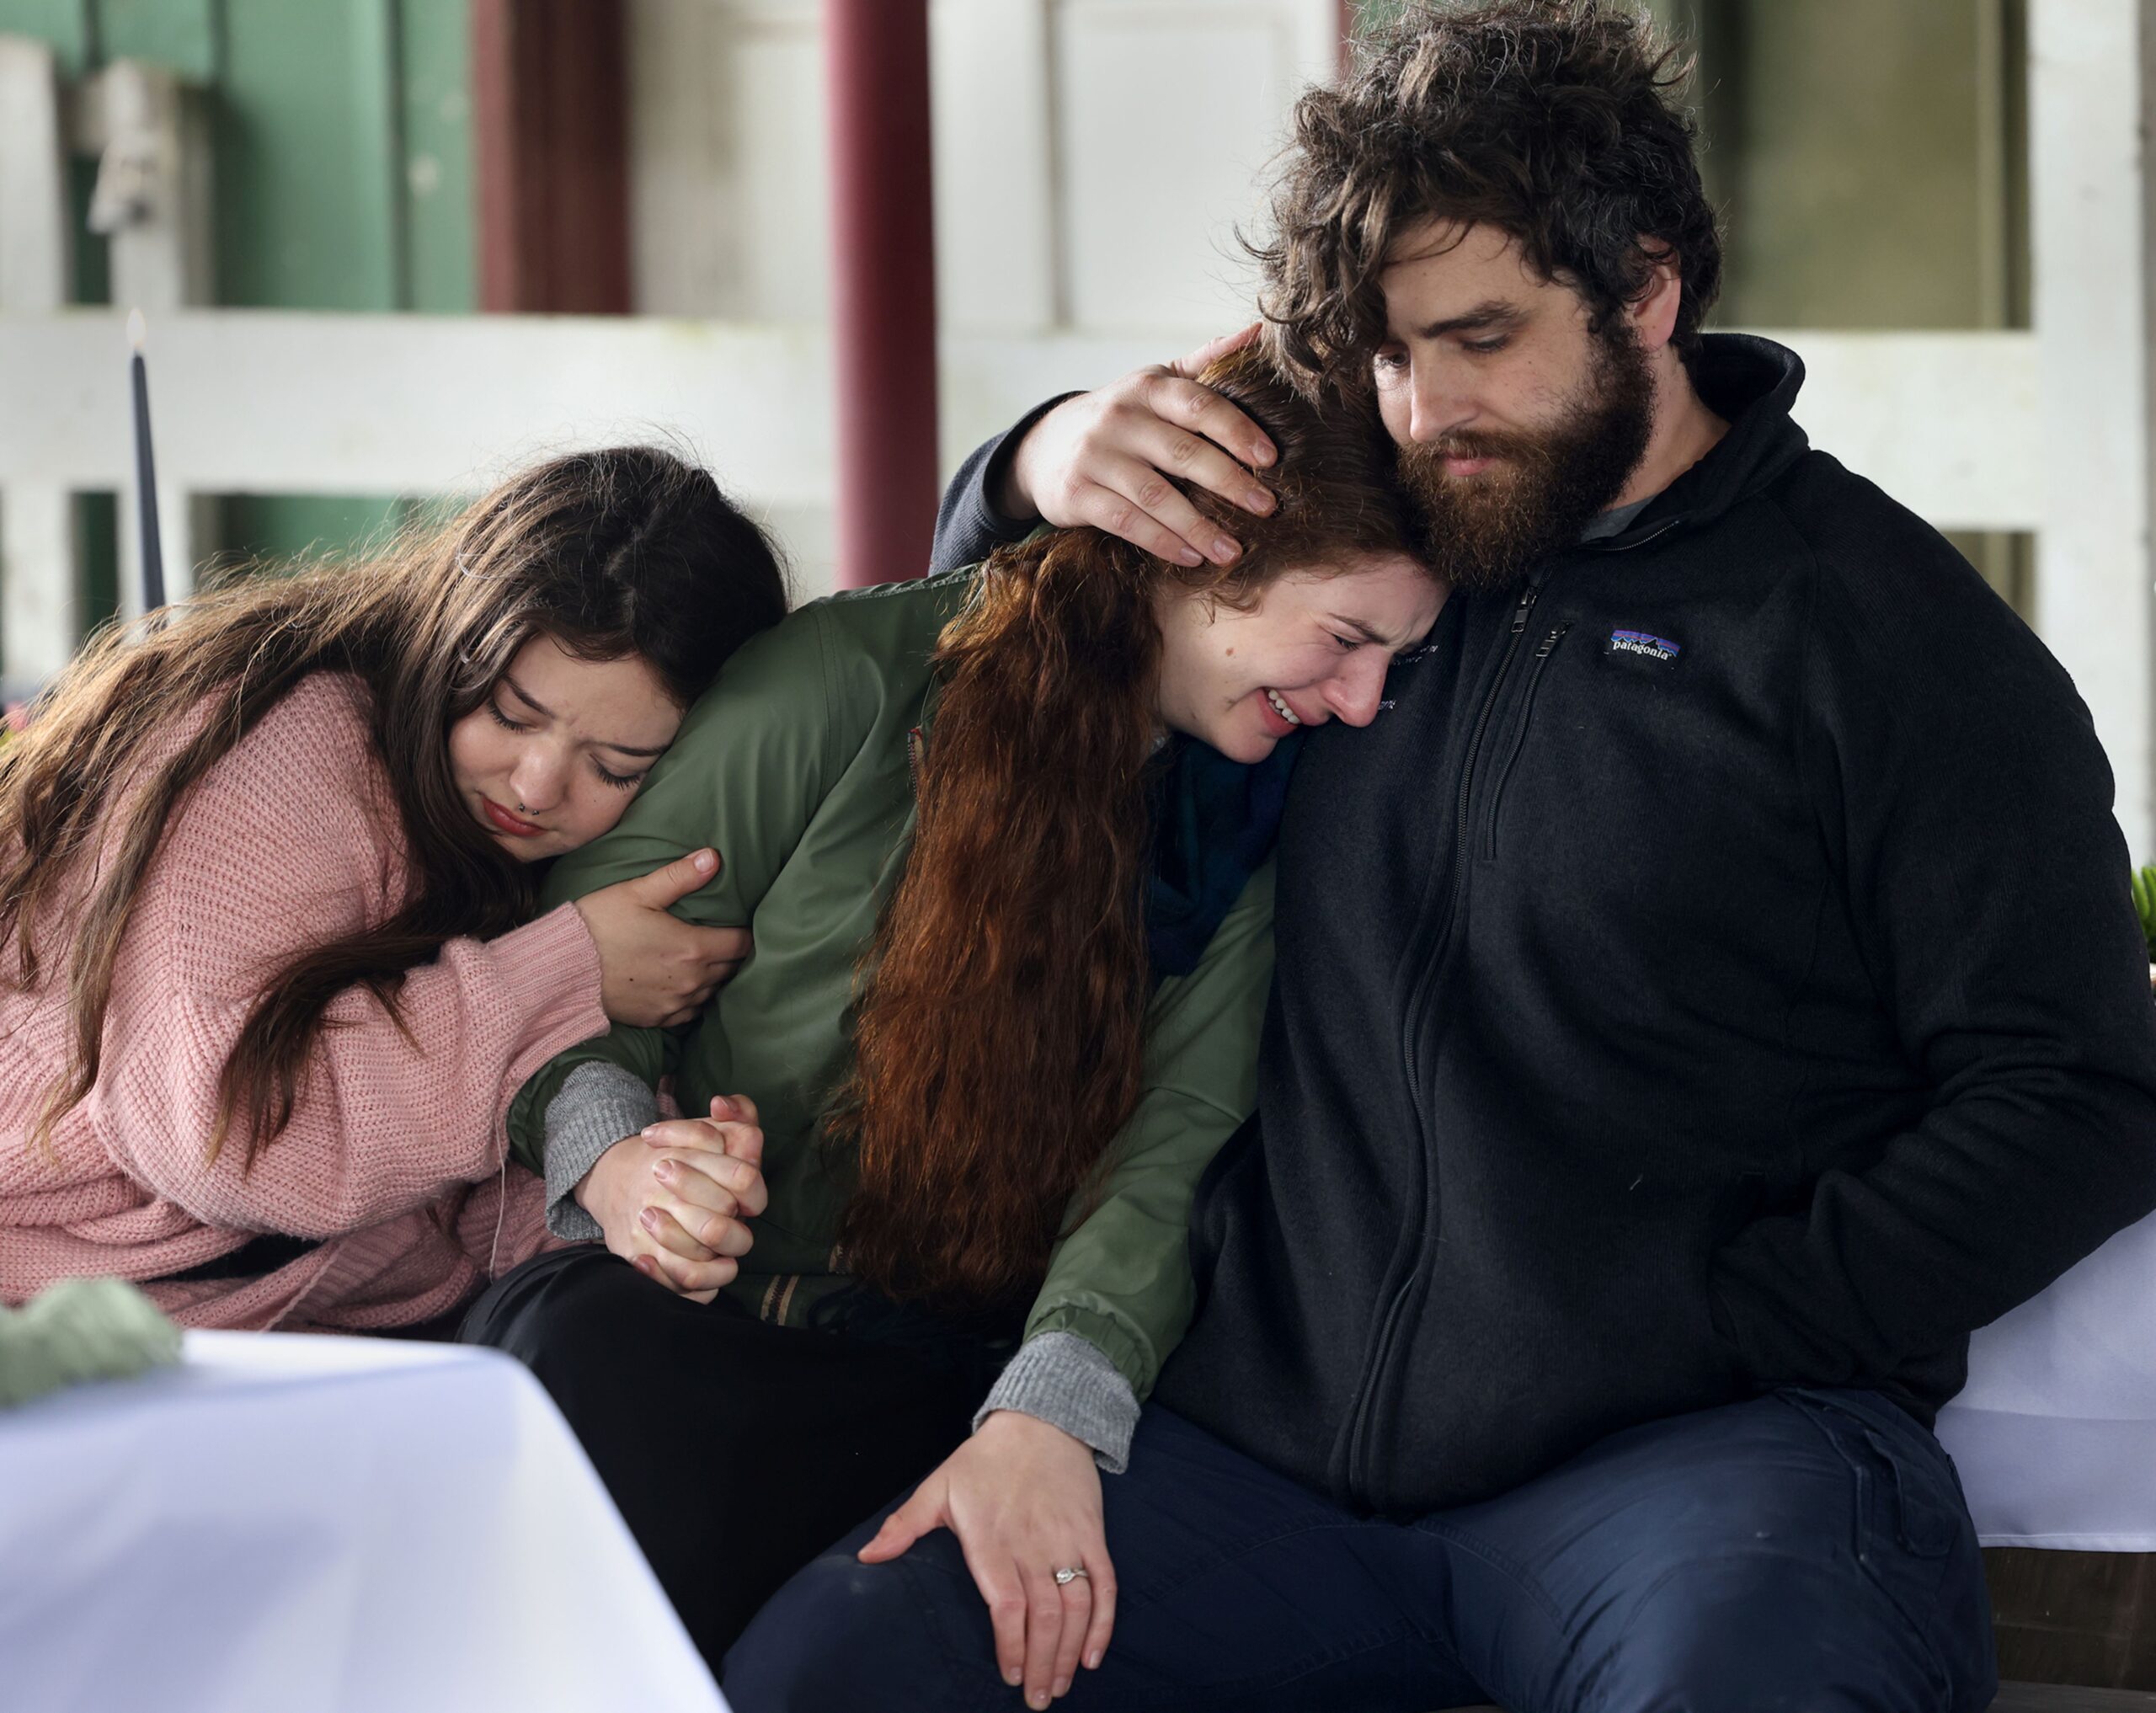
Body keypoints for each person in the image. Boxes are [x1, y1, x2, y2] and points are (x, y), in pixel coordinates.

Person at [725, 6, 2156, 1710]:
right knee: (839, 1667)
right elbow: (1028, 657)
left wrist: (1733, 1318)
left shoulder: (1884, 637)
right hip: (1253, 1452)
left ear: (1645, 288)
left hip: (1693, 1467)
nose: (1422, 407)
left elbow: (2078, 1090)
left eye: (1479, 337)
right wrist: (1029, 465)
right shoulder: (1363, 518)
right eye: (1386, 353)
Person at [459, 346, 1443, 1663]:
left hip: (951, 1376)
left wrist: (1049, 1417)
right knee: (566, 1346)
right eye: (1347, 639)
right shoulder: (855, 678)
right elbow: (580, 968)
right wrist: (624, 1163)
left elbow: (1168, 1160)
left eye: (1396, 660)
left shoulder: (1245, 837)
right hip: (716, 1325)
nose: (1363, 702)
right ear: (1205, 554)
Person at [0, 447, 788, 1335]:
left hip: (241, 1329)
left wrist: (650, 1192)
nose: (535, 786)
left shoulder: (575, 863)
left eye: (616, 766)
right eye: (511, 714)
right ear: (457, 638)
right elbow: (225, 1141)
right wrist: (572, 973)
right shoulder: (289, 749)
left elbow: (448, 1211)